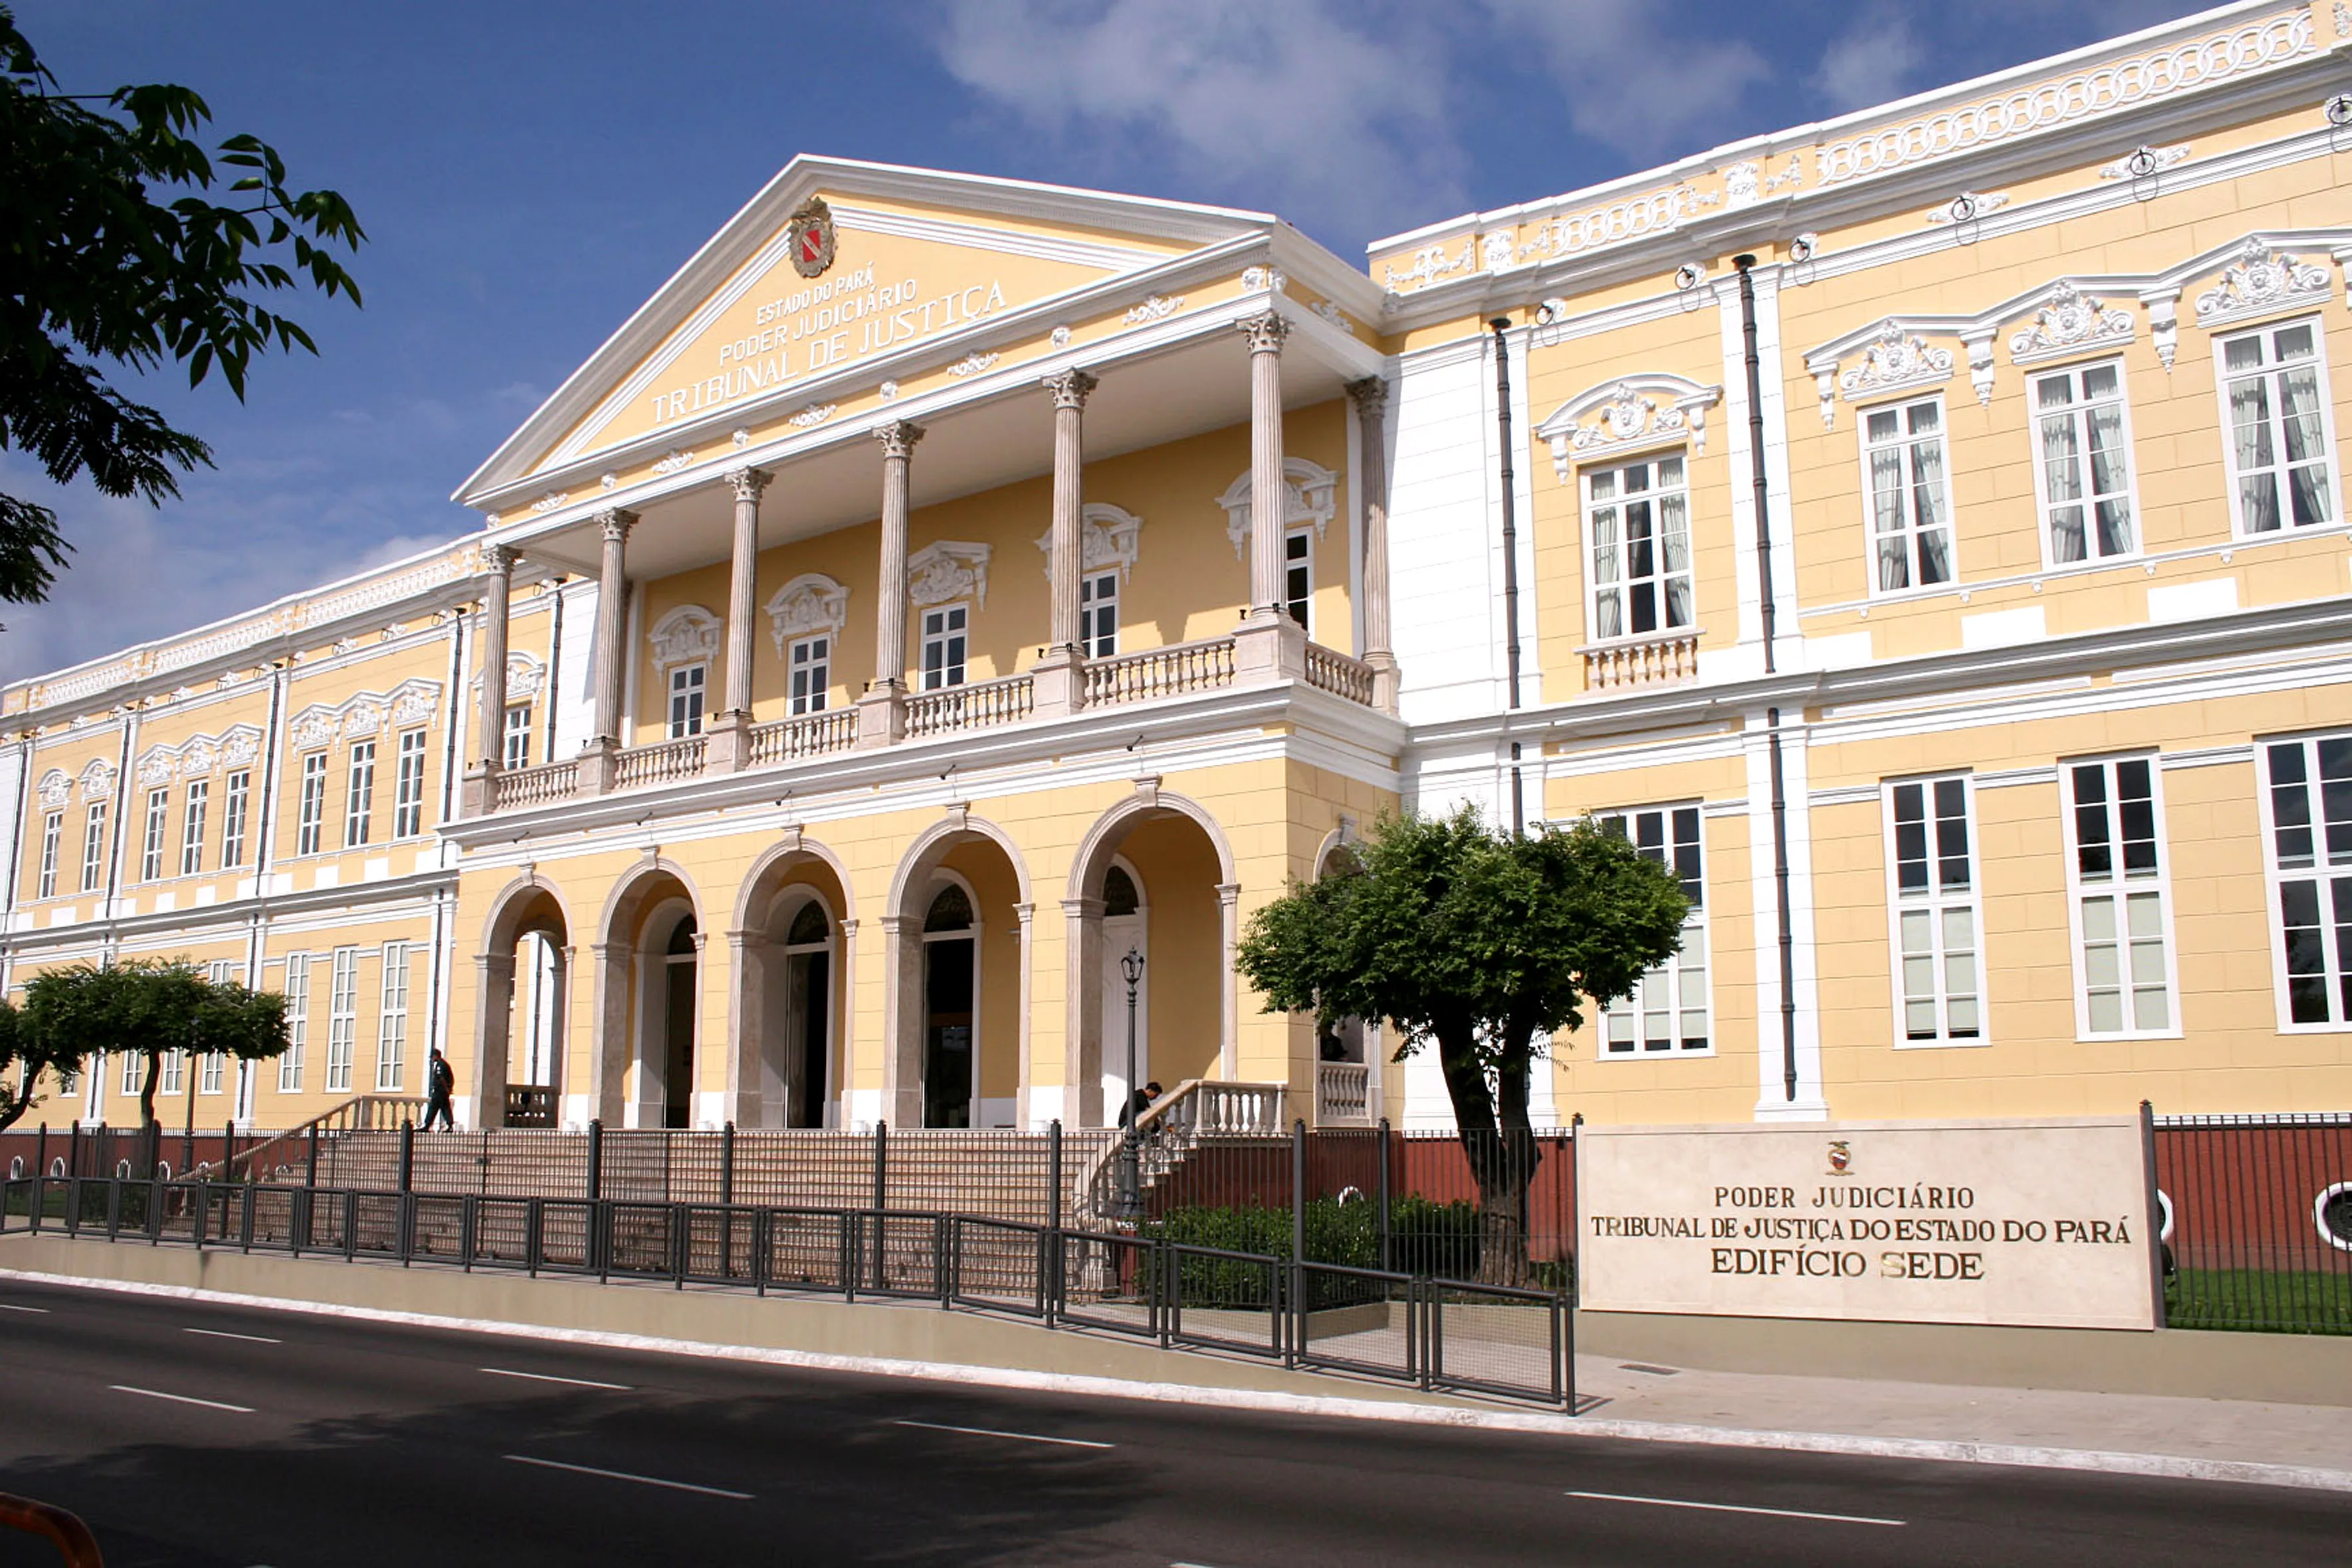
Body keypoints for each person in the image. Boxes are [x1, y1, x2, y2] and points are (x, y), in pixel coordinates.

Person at [422, 1048, 456, 1131]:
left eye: (433, 1057)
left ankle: (427, 1125)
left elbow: (442, 1078)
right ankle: (450, 1125)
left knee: (433, 1108)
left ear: (436, 1056)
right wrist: (449, 1089)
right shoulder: (444, 1064)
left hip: (440, 1091)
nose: (432, 1059)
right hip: (443, 1091)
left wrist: (447, 1089)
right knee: (445, 1108)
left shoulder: (440, 1065)